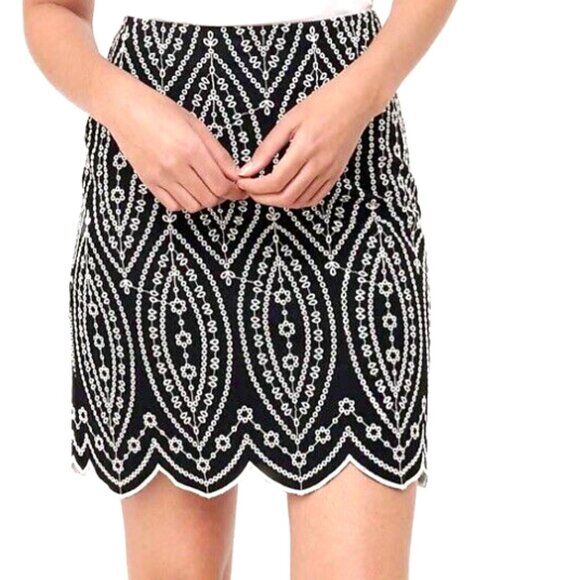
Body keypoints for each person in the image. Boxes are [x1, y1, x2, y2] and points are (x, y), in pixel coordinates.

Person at [23, 0, 456, 578]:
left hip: (347, 167)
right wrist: (123, 108)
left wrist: (362, 93)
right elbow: (51, 11)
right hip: (158, 181)